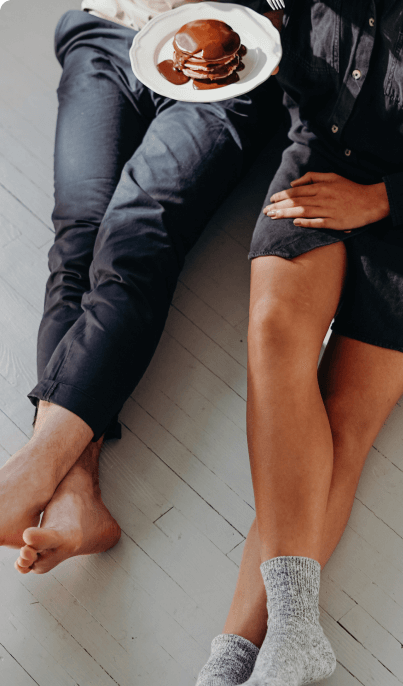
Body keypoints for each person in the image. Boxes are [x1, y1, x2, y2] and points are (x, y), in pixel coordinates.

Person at [173, 0, 403, 686]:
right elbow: (300, 66)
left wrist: (384, 200)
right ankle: (285, 634)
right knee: (273, 337)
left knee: (341, 416)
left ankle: (220, 674)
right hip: (327, 156)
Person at [0, 0, 283, 574]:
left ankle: (32, 468)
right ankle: (76, 494)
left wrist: (274, 16)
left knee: (135, 235)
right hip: (111, 29)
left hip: (236, 57)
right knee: (77, 240)